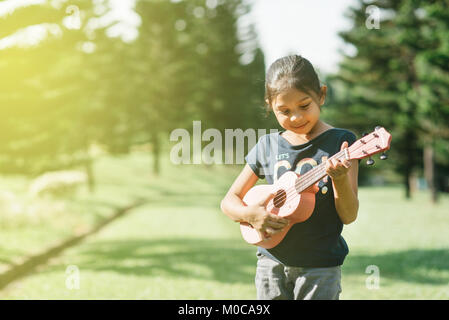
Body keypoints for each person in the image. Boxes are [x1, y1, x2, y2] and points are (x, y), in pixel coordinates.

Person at [220, 55, 359, 300]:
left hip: (320, 268)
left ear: (322, 95)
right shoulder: (267, 146)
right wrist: (249, 215)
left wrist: (339, 179)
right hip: (270, 265)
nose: (295, 117)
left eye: (304, 106)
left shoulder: (342, 143)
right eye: (284, 111)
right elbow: (229, 200)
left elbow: (348, 215)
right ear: (269, 105)